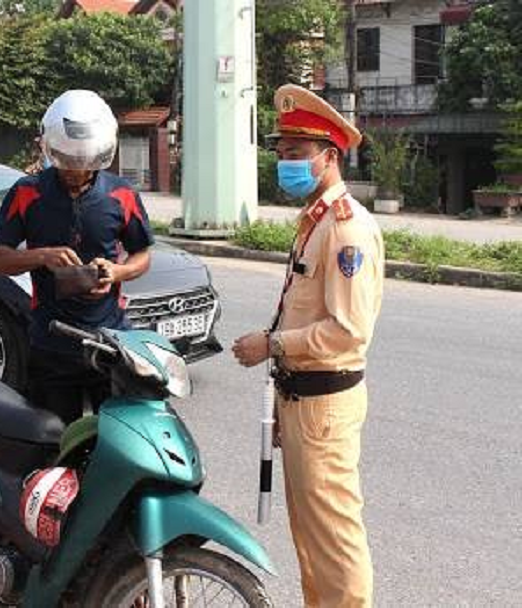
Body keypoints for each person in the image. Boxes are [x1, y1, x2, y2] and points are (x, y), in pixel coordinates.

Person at [232, 84, 384, 608]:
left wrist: (271, 344)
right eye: (280, 152)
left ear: (329, 157)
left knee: (336, 544)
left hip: (324, 405)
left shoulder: (346, 232)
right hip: (302, 402)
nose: (284, 162)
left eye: (296, 154)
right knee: (311, 544)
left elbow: (347, 331)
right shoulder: (316, 220)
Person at [0, 90, 154, 425]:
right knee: (54, 444)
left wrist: (117, 273)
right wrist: (42, 256)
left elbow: (143, 254)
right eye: (68, 163)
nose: (77, 172)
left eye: (86, 165)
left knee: (115, 441)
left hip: (109, 343)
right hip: (51, 345)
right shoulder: (26, 192)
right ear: (50, 149)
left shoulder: (121, 194)